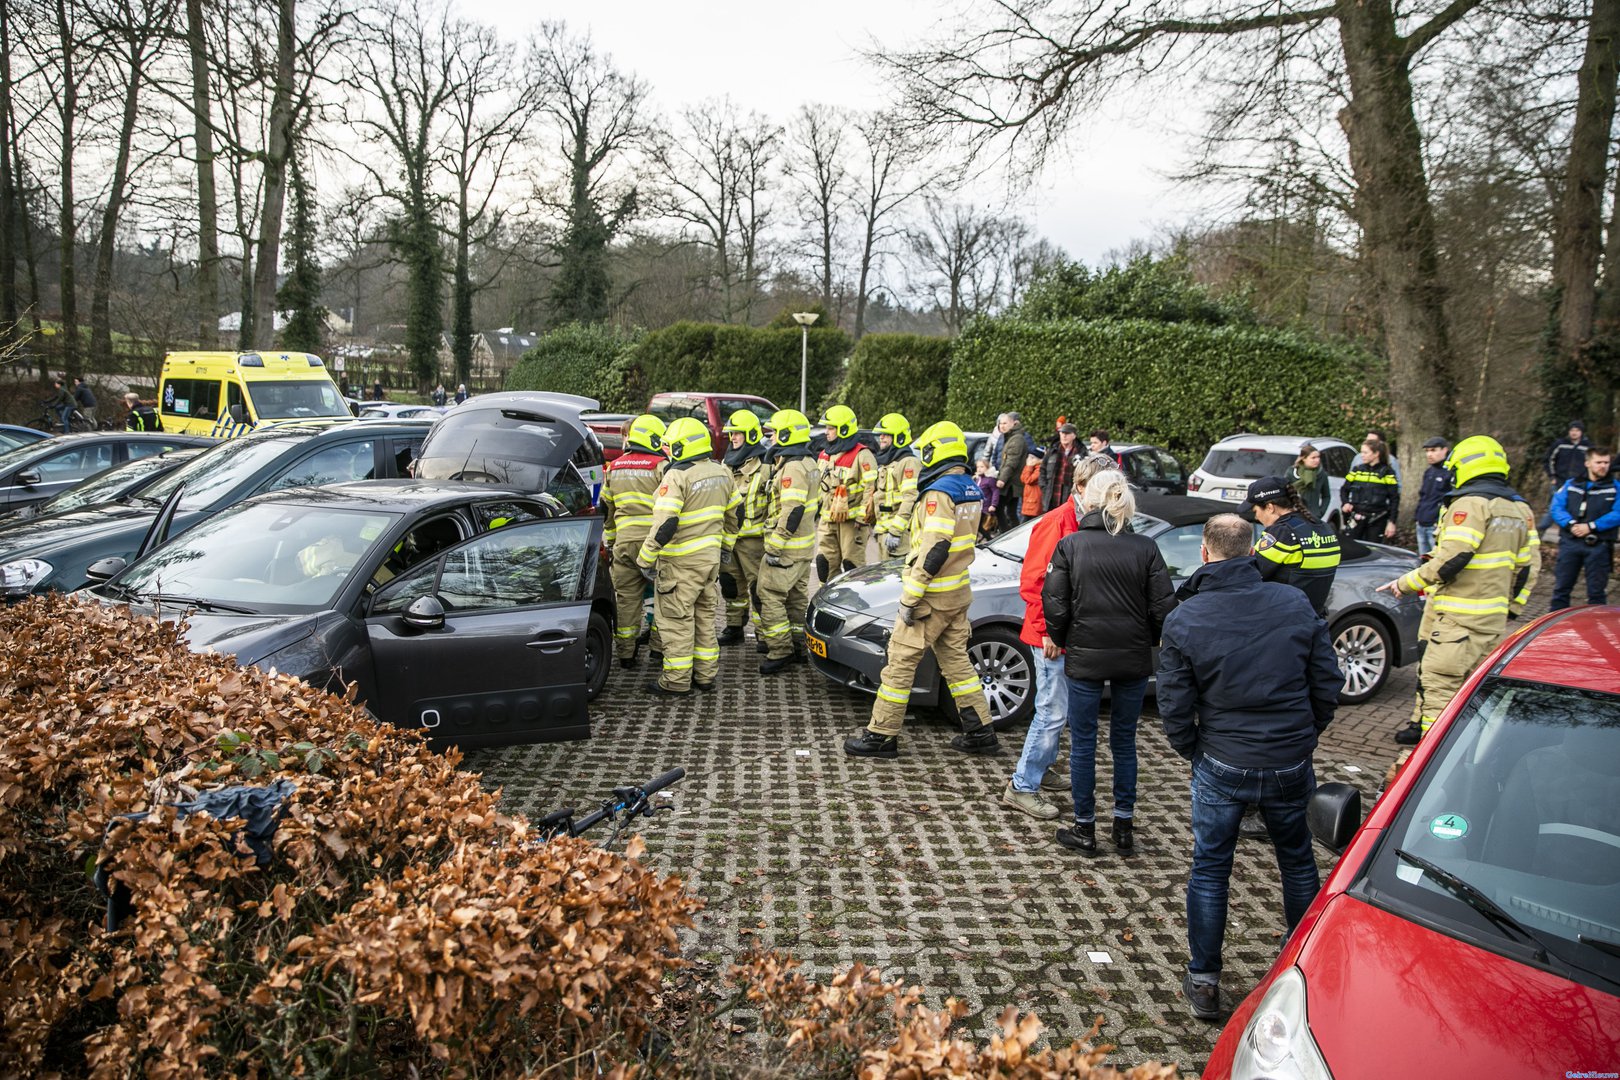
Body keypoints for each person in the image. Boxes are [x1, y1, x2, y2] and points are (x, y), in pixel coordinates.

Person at [1157, 513, 1343, 1022]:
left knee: (1212, 868)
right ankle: (1301, 962)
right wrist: (1306, 735)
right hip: (1287, 758)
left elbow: (1174, 702)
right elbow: (1327, 680)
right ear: (1255, 550)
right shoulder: (1293, 601)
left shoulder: (1185, 617)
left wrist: (1192, 749)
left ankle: (1204, 981)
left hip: (1222, 759)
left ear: (1204, 553)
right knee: (1298, 860)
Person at [845, 422, 999, 758]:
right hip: (957, 594)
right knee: (958, 664)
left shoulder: (939, 492)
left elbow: (935, 549)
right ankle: (980, 731)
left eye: (926, 451)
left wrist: (909, 598)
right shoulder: (970, 488)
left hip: (930, 599)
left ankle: (881, 736)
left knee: (899, 662)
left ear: (936, 450)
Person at [1041, 468, 1176, 855]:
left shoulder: (1070, 545)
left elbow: (1055, 605)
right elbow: (1164, 607)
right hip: (1132, 657)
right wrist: (1146, 641)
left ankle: (1085, 829)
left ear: (1091, 500)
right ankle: (1124, 827)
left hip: (1085, 656)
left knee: (1083, 744)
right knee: (1125, 741)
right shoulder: (1146, 547)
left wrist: (1067, 640)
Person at [1377, 435, 1538, 745]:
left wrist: (1406, 583)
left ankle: (1428, 762)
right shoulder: (1516, 510)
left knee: (1440, 688)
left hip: (1457, 617)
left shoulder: (1471, 503)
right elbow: (1526, 567)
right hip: (1489, 621)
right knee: (1473, 693)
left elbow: (1456, 556)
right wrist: (1511, 607)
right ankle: (1465, 749)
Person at [1001, 452, 1121, 820]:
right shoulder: (1056, 523)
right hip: (1053, 636)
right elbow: (1034, 585)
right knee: (1051, 713)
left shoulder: (1090, 520)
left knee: (1058, 710)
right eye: (1104, 490)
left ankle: (1042, 768)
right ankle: (1023, 786)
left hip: (1071, 633)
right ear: (1081, 487)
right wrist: (1047, 631)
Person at [637, 417, 738, 696]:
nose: (667, 452)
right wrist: (726, 547)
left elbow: (666, 524)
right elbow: (735, 514)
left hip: (679, 566)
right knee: (705, 619)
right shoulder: (721, 472)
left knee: (677, 622)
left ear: (682, 447)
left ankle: (676, 681)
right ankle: (705, 676)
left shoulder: (677, 476)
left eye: (670, 446)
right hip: (709, 563)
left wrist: (645, 558)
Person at [757, 410, 821, 674]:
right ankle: (797, 646)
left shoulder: (792, 468)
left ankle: (780, 650)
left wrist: (775, 544)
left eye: (772, 433)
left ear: (785, 435)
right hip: (803, 547)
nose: (769, 438)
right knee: (796, 599)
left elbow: (792, 510)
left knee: (769, 595)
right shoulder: (809, 463)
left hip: (786, 549)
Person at [601, 415, 668, 668]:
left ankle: (626, 654)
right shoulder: (661, 465)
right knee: (663, 595)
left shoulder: (614, 466)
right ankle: (658, 649)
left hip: (624, 542)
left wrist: (611, 537)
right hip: (655, 544)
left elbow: (606, 507)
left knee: (627, 599)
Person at [1241, 476, 1341, 617]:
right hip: (1314, 622)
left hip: (1283, 621)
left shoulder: (1283, 532)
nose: (1256, 517)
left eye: (1256, 511)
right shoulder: (1323, 527)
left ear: (1270, 507)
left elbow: (1251, 573)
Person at [719, 410, 770, 645]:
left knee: (757, 588)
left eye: (737, 433)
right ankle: (734, 627)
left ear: (750, 435)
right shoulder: (725, 464)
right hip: (729, 538)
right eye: (731, 434)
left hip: (753, 540)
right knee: (731, 584)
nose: (733, 438)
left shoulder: (765, 466)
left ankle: (763, 634)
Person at [1548, 446, 1616, 610]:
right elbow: (1556, 507)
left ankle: (1596, 630)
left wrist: (1592, 526)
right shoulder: (1571, 485)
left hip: (1599, 546)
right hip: (1570, 543)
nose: (1603, 466)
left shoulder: (1615, 487)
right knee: (1561, 589)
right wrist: (1570, 524)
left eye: (1606, 462)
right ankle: (1554, 629)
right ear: (1587, 463)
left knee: (1597, 594)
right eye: (1598, 462)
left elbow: (1618, 513)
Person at [815, 405, 878, 579]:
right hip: (827, 521)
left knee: (852, 566)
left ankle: (853, 604)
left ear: (843, 429)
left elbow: (871, 488)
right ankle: (828, 602)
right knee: (824, 564)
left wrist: (862, 517)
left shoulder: (862, 455)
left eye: (830, 428)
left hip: (852, 523)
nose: (826, 432)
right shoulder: (824, 455)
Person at [871, 413, 919, 558]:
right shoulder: (888, 462)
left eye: (886, 434)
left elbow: (910, 498)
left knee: (896, 579)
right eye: (881, 435)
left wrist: (895, 531)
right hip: (884, 533)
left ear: (899, 437)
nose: (881, 437)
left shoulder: (908, 462)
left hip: (898, 536)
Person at [1340, 438, 1399, 541]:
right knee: (1352, 547)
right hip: (1357, 517)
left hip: (1377, 519)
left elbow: (1394, 499)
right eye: (1361, 452)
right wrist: (1345, 503)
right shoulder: (1357, 470)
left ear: (1376, 454)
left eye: (1365, 452)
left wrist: (1391, 522)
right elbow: (1344, 489)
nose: (1362, 455)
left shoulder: (1388, 473)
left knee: (1374, 550)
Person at [1413, 436, 1454, 558]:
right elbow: (1423, 496)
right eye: (1427, 451)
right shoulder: (1429, 472)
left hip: (1435, 526)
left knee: (1436, 560)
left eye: (1433, 450)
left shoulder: (1450, 472)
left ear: (1444, 450)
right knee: (1423, 561)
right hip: (1421, 523)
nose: (1429, 454)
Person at [994, 412, 1029, 533]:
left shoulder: (1016, 439)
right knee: (1010, 511)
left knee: (999, 509)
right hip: (1011, 482)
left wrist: (1002, 479)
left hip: (1011, 483)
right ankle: (1013, 535)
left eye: (1005, 423)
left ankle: (1007, 535)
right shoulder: (1010, 437)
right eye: (1000, 423)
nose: (1002, 426)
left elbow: (1011, 462)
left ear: (1013, 423)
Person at [1041, 423, 1080, 512]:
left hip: (1069, 497)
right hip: (1051, 496)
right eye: (1062, 433)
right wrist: (1044, 488)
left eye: (1067, 433)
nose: (1064, 436)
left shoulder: (1080, 452)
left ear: (1074, 436)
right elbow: (1042, 469)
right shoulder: (1052, 451)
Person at [1288, 442, 1330, 522]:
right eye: (1313, 458)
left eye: (1318, 457)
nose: (1317, 460)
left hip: (1313, 516)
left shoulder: (1321, 474)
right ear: (1303, 458)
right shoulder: (1292, 473)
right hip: (1295, 516)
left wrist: (1320, 512)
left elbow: (1326, 496)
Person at [1545, 420, 1592, 486]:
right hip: (1559, 481)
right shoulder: (1560, 444)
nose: (1574, 433)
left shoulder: (1588, 447)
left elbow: (1592, 463)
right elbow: (1549, 460)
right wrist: (1552, 476)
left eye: (1577, 430)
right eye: (1572, 430)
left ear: (1581, 432)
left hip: (1580, 482)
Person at [974, 458, 1001, 541]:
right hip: (978, 506)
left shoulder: (990, 479)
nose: (979, 469)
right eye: (978, 467)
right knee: (977, 526)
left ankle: (989, 539)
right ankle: (982, 539)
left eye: (982, 467)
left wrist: (993, 504)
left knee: (979, 526)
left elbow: (995, 492)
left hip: (985, 506)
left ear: (987, 468)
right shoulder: (978, 478)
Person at [1020, 450, 1045, 520]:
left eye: (1032, 458)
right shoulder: (1030, 467)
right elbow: (1022, 478)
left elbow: (1028, 480)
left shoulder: (1039, 468)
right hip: (1028, 501)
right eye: (1028, 457)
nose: (1028, 460)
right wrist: (1028, 467)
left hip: (1034, 502)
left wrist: (1029, 467)